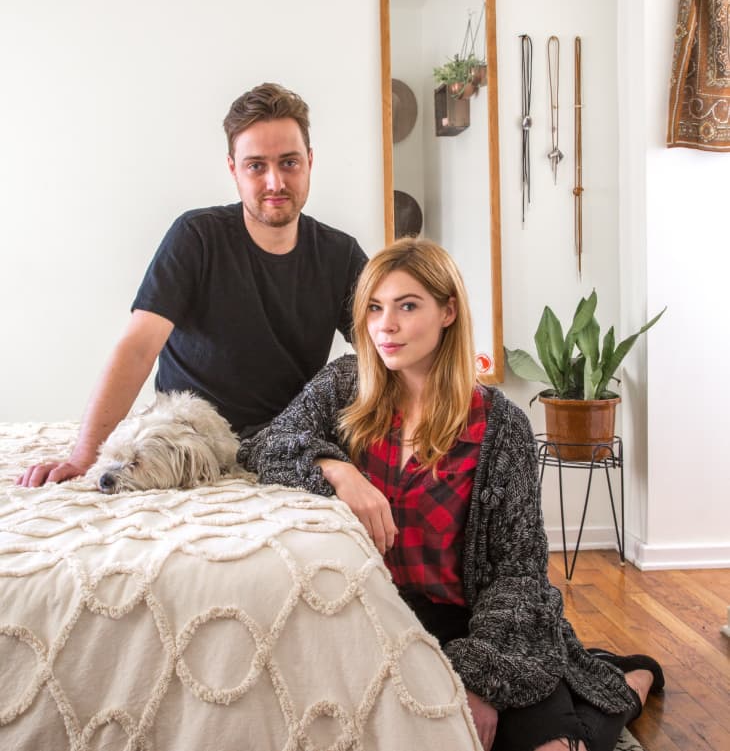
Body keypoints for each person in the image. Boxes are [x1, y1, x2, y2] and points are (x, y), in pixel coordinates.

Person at [245, 238, 664, 751]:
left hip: (482, 626)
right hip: (376, 624)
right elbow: (264, 448)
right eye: (374, 308)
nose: (386, 326)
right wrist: (337, 470)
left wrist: (479, 682)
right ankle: (604, 676)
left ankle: (626, 684)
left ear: (448, 311)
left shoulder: (500, 424)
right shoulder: (344, 386)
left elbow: (519, 572)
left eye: (407, 306)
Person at [18, 82, 367, 488]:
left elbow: (386, 349)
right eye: (256, 165)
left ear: (309, 161)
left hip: (285, 436)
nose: (275, 182)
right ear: (233, 169)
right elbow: (138, 348)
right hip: (186, 435)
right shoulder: (196, 237)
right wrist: (83, 457)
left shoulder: (340, 254)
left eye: (289, 162)